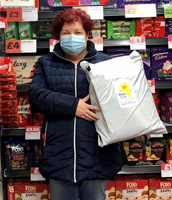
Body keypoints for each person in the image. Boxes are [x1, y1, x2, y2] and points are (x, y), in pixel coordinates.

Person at [28, 8, 149, 200]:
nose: (71, 37)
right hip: (59, 154)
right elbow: (36, 96)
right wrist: (73, 105)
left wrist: (138, 120)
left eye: (77, 33)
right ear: (58, 37)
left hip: (97, 153)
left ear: (87, 35)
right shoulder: (46, 63)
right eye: (66, 33)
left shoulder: (105, 62)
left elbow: (123, 97)